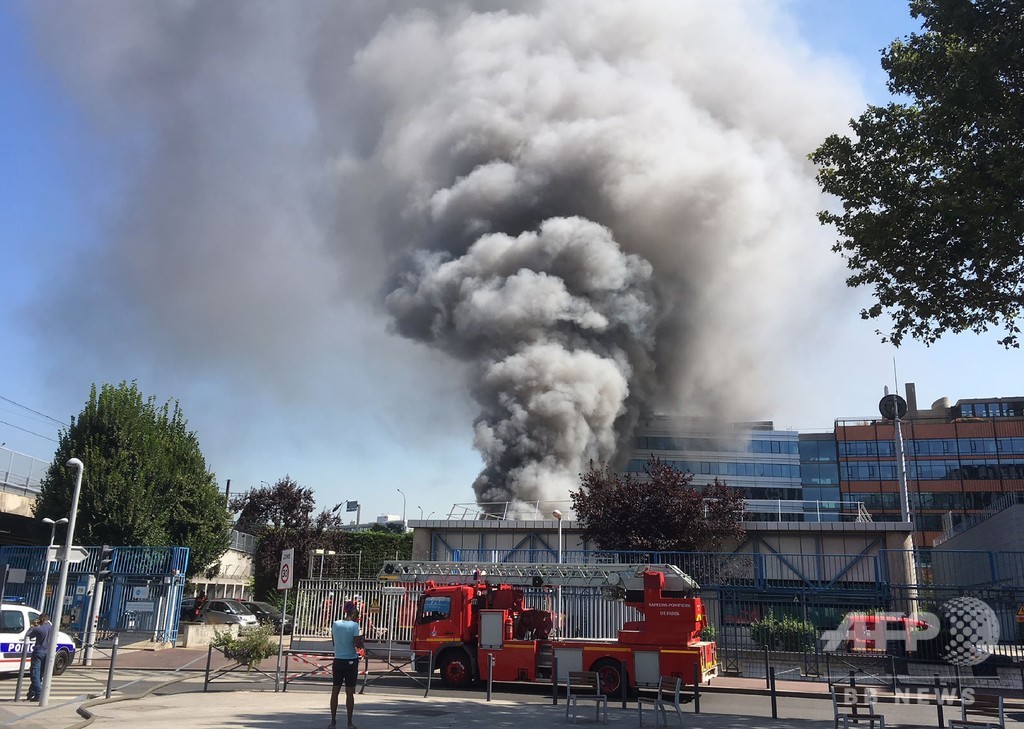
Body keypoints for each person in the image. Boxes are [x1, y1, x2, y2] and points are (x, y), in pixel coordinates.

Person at [329, 601, 363, 729]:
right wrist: (361, 641)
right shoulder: (354, 626)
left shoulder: (336, 624)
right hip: (351, 661)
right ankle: (349, 723)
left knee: (335, 691)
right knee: (349, 693)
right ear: (353, 613)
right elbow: (357, 644)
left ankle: (333, 722)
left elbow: (334, 642)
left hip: (338, 660)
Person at [26, 613, 52, 702]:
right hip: (48, 652)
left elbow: (28, 634)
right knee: (40, 674)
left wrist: (33, 626)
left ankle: (38, 693)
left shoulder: (39, 629)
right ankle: (31, 693)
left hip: (39, 651)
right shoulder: (51, 627)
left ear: (40, 619)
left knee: (35, 673)